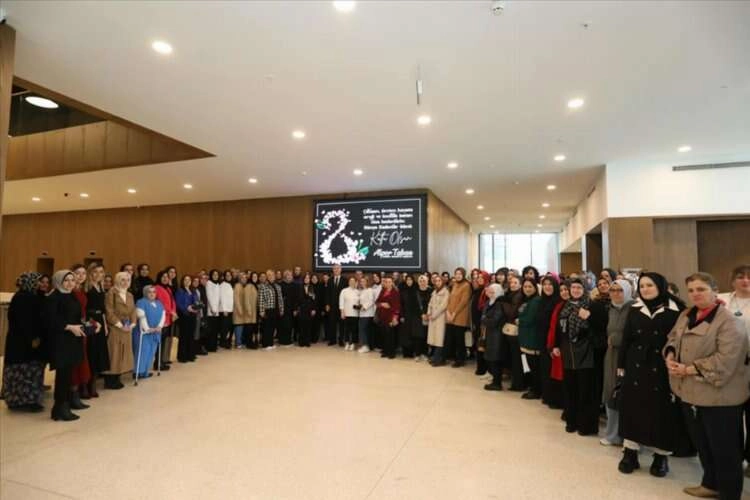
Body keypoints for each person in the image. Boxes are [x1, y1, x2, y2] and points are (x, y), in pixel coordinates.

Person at [665, 272, 749, 500]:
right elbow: (672, 338)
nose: (695, 294)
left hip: (720, 396)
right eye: (691, 290)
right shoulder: (686, 315)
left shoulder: (730, 322)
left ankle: (730, 493)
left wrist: (688, 369)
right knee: (703, 444)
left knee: (725, 449)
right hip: (690, 393)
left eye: (701, 289)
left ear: (715, 290)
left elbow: (726, 360)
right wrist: (670, 355)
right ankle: (710, 484)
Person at [617, 272, 683, 477]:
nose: (645, 289)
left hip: (662, 365)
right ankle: (630, 452)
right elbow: (627, 338)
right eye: (642, 286)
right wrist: (621, 364)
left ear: (660, 286)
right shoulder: (635, 308)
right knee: (633, 408)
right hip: (636, 365)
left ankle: (660, 456)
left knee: (661, 412)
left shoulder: (676, 310)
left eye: (650, 285)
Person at [555, 278, 601, 436]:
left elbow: (600, 326)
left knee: (585, 391)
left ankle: (585, 425)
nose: (575, 290)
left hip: (586, 353)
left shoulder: (592, 305)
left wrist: (588, 317)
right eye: (573, 287)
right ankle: (572, 421)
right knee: (570, 389)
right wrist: (556, 345)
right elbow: (560, 328)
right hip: (568, 352)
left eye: (579, 287)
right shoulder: (566, 306)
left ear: (585, 289)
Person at [717, 265, 750, 473]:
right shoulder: (721, 300)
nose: (745, 281)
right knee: (731, 415)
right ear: (732, 281)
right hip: (728, 365)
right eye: (740, 277)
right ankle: (734, 458)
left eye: (749, 277)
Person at [44, 270, 87, 421]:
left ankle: (63, 407)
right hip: (60, 341)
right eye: (66, 280)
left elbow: (76, 316)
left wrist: (87, 325)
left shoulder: (72, 295)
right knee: (62, 376)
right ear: (58, 281)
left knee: (68, 375)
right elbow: (50, 320)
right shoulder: (53, 297)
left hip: (72, 340)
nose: (70, 283)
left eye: (72, 280)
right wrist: (68, 327)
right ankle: (60, 408)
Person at [2, 272, 45, 412]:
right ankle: (30, 401)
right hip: (27, 342)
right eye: (37, 282)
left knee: (17, 370)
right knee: (28, 370)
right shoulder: (27, 298)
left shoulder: (20, 296)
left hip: (17, 341)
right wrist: (34, 338)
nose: (39, 284)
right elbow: (26, 321)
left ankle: (15, 400)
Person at [600, 279, 633, 447]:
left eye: (620, 290)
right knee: (611, 392)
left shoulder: (633, 308)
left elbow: (632, 334)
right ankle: (613, 435)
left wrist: (614, 339)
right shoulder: (611, 308)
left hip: (628, 357)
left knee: (626, 396)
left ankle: (629, 436)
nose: (616, 293)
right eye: (613, 290)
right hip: (611, 355)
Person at [104, 272, 136, 389]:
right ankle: (110, 379)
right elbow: (109, 311)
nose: (125, 282)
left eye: (128, 280)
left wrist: (132, 324)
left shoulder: (130, 295)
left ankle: (118, 376)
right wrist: (119, 324)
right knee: (114, 353)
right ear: (117, 280)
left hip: (127, 328)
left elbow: (133, 311)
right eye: (123, 280)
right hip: (115, 327)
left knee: (123, 354)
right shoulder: (111, 293)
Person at [84, 263, 109, 398]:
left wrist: (104, 325)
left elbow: (102, 309)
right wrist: (93, 323)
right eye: (95, 271)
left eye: (101, 272)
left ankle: (93, 384)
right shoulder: (86, 287)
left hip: (100, 320)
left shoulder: (101, 287)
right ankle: (85, 386)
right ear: (90, 273)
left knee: (98, 353)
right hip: (90, 320)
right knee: (90, 353)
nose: (98, 274)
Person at [70, 264, 92, 403]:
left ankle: (78, 391)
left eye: (83, 273)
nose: (81, 276)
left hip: (82, 327)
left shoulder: (82, 290)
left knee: (81, 359)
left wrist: (90, 323)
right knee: (74, 361)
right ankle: (72, 393)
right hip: (72, 328)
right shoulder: (69, 291)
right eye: (78, 273)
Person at [545, 281, 569, 409]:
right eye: (562, 290)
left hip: (567, 346)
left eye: (566, 289)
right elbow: (553, 327)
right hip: (557, 345)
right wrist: (552, 345)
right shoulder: (559, 305)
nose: (564, 292)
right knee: (557, 374)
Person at [518, 278, 543, 399]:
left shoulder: (536, 300)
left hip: (532, 338)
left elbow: (530, 319)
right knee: (527, 365)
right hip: (524, 338)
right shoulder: (526, 300)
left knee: (534, 366)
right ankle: (532, 387)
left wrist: (519, 320)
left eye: (530, 287)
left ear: (535, 288)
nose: (527, 289)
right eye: (525, 287)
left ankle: (536, 390)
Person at [133, 285, 164, 378]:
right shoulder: (141, 302)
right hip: (144, 333)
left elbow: (163, 316)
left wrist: (159, 326)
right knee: (143, 352)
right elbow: (141, 316)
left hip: (156, 332)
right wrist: (147, 328)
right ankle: (138, 372)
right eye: (149, 292)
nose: (152, 294)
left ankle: (145, 371)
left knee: (151, 352)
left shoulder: (159, 303)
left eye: (154, 292)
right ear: (145, 293)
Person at [501, 275, 526, 391]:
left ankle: (518, 384)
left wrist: (503, 303)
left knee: (517, 359)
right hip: (511, 330)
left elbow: (512, 313)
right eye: (511, 283)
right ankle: (517, 382)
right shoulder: (511, 295)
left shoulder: (518, 296)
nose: (512, 285)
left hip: (515, 331)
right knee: (515, 358)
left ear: (520, 284)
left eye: (516, 283)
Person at [481, 283, 506, 391]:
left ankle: (497, 383)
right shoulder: (489, 302)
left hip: (497, 336)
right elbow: (484, 315)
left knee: (495, 359)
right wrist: (485, 319)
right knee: (490, 358)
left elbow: (495, 321)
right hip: (489, 334)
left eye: (493, 291)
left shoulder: (499, 304)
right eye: (489, 291)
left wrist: (484, 319)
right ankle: (494, 380)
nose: (490, 293)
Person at [445, 267, 472, 368]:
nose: (458, 276)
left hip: (460, 316)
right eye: (456, 274)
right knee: (453, 339)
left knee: (460, 340)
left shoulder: (466, 285)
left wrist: (454, 313)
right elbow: (449, 299)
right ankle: (455, 357)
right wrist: (448, 311)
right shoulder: (454, 284)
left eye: (460, 274)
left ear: (463, 275)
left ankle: (461, 359)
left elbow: (463, 302)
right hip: (451, 315)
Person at [154, 271, 177, 368]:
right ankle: (158, 363)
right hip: (161, 318)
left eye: (166, 277)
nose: (165, 278)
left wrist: (174, 312)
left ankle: (162, 360)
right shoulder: (156, 288)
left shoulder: (168, 288)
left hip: (169, 318)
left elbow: (172, 302)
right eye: (163, 276)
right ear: (159, 278)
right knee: (159, 341)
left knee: (164, 341)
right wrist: (171, 312)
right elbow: (160, 303)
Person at [427, 275, 450, 366]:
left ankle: (439, 360)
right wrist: (429, 313)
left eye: (439, 281)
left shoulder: (446, 292)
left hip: (440, 318)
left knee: (439, 339)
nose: (437, 282)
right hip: (432, 318)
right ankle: (435, 358)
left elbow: (443, 306)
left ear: (442, 282)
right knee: (434, 339)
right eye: (436, 281)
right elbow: (430, 304)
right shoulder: (434, 292)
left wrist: (434, 315)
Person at [175, 275, 199, 362]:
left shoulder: (193, 290)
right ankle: (182, 356)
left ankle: (190, 355)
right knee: (184, 336)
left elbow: (196, 301)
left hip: (192, 315)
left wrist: (196, 308)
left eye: (189, 280)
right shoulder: (180, 291)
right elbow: (178, 303)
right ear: (182, 281)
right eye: (185, 279)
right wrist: (187, 308)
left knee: (191, 335)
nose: (187, 281)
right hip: (184, 315)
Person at [258, 269, 284, 350]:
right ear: (267, 276)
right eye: (269, 275)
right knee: (267, 327)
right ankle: (265, 344)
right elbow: (261, 299)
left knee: (272, 327)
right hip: (268, 309)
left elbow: (280, 299)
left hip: (275, 310)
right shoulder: (263, 286)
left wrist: (281, 309)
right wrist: (262, 311)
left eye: (272, 275)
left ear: (274, 276)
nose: (271, 276)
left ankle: (271, 343)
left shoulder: (278, 286)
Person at [325, 264, 347, 346]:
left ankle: (341, 340)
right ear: (333, 270)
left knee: (342, 324)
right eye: (335, 269)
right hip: (332, 306)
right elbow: (327, 293)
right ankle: (332, 340)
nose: (336, 270)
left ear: (341, 270)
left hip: (342, 307)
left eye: (338, 268)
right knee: (332, 323)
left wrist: (344, 306)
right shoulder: (330, 280)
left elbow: (346, 294)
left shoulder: (345, 280)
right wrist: (327, 304)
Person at [411, 275, 432, 362]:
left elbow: (433, 304)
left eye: (424, 281)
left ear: (427, 281)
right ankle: (417, 354)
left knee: (426, 336)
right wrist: (421, 314)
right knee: (418, 336)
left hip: (428, 316)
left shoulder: (431, 291)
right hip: (417, 317)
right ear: (418, 282)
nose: (422, 282)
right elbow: (412, 305)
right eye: (421, 281)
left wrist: (427, 314)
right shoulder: (414, 292)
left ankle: (425, 353)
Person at [279, 270, 299, 347]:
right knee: (283, 325)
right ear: (285, 276)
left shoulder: (294, 285)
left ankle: (288, 340)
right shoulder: (281, 285)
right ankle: (282, 340)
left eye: (290, 275)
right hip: (283, 308)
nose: (289, 276)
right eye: (288, 275)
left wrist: (295, 309)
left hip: (291, 309)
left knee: (290, 325)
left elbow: (296, 298)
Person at [339, 276, 361, 351]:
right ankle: (347, 343)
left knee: (354, 330)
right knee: (346, 330)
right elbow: (341, 302)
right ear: (348, 282)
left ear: (355, 282)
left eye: (353, 281)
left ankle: (353, 344)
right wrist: (342, 312)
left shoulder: (358, 292)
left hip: (355, 314)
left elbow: (360, 303)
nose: (352, 282)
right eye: (351, 281)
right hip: (346, 313)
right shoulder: (344, 291)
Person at [232, 272, 251, 349]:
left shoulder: (244, 286)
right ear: (239, 279)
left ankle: (242, 342)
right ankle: (238, 343)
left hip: (244, 310)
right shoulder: (237, 286)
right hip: (238, 310)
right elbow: (236, 299)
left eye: (245, 278)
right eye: (242, 278)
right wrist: (239, 310)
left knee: (242, 326)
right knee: (239, 326)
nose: (244, 279)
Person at [205, 269, 222, 352]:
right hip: (211, 310)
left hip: (217, 311)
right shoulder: (209, 283)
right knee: (210, 330)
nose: (215, 276)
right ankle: (210, 347)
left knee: (215, 329)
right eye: (214, 274)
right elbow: (209, 296)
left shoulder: (218, 284)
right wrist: (213, 309)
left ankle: (214, 346)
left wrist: (217, 309)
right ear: (211, 275)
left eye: (217, 274)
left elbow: (218, 298)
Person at [357, 276, 375, 353]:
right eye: (361, 281)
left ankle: (365, 346)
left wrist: (364, 307)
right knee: (362, 330)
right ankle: (365, 345)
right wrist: (359, 306)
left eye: (364, 281)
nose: (362, 283)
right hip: (361, 314)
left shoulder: (370, 290)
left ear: (367, 282)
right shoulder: (361, 291)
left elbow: (371, 301)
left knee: (363, 330)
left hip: (368, 314)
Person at [297, 274, 317, 347]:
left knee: (308, 326)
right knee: (302, 326)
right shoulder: (300, 287)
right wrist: (297, 308)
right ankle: (301, 342)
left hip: (309, 309)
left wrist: (313, 309)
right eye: (305, 278)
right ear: (303, 279)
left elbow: (314, 300)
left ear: (309, 280)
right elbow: (297, 299)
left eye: (308, 278)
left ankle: (307, 341)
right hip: (302, 309)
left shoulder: (311, 287)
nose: (307, 279)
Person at [242, 273, 259, 349]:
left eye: (256, 276)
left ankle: (252, 342)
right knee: (249, 328)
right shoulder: (249, 286)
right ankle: (249, 343)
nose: (255, 278)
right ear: (251, 278)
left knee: (253, 327)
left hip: (255, 310)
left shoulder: (256, 286)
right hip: (250, 310)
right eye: (253, 276)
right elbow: (246, 299)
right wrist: (248, 310)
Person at [219, 270, 235, 348]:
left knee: (229, 326)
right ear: (224, 276)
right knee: (224, 327)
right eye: (227, 275)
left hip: (231, 309)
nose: (228, 276)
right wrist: (224, 309)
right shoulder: (223, 285)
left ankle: (226, 341)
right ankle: (222, 342)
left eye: (230, 275)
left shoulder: (231, 284)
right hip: (225, 310)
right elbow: (222, 298)